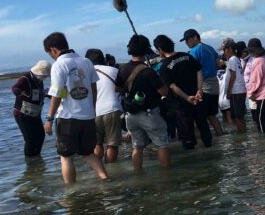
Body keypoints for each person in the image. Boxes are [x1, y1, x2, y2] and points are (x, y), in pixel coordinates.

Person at [42, 32, 108, 184]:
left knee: (65, 157)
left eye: (49, 53)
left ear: (53, 50)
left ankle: (71, 190)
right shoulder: (86, 62)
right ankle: (105, 178)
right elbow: (93, 88)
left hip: (68, 117)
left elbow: (57, 93)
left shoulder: (59, 64)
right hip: (88, 116)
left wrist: (49, 118)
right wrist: (91, 109)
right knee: (88, 153)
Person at [116, 34, 170, 171]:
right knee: (162, 144)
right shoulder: (148, 72)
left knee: (137, 146)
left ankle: (138, 174)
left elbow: (117, 88)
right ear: (146, 50)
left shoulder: (122, 69)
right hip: (149, 114)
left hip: (130, 115)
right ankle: (166, 175)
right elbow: (164, 92)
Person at [155, 34, 211, 150]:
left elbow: (173, 86)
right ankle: (210, 150)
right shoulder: (187, 56)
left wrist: (187, 98)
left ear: (160, 49)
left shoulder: (164, 67)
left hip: (181, 103)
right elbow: (199, 71)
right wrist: (199, 90)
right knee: (204, 127)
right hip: (198, 98)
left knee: (187, 135)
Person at [181, 29, 224, 136]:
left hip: (203, 87)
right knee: (212, 116)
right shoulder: (210, 48)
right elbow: (218, 65)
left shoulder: (194, 52)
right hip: (215, 85)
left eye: (188, 40)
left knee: (200, 118)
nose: (186, 43)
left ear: (195, 37)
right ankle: (221, 136)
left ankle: (207, 143)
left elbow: (191, 71)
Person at [85, 48, 123, 163]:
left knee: (97, 143)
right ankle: (111, 169)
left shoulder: (84, 74)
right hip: (112, 109)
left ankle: (99, 169)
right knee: (112, 144)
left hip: (92, 112)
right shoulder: (114, 71)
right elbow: (122, 89)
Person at [11, 60, 50, 158]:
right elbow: (15, 88)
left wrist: (48, 94)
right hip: (22, 114)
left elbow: (39, 92)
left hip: (35, 114)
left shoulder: (39, 81)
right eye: (44, 75)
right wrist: (18, 92)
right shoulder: (25, 78)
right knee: (30, 139)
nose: (45, 77)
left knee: (41, 136)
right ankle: (29, 160)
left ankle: (37, 156)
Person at [221, 38, 247, 133]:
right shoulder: (237, 59)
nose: (224, 52)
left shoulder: (232, 59)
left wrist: (229, 91)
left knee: (236, 117)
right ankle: (244, 133)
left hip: (236, 90)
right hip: (240, 90)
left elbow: (233, 75)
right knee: (239, 116)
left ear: (230, 49)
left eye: (224, 50)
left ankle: (241, 135)